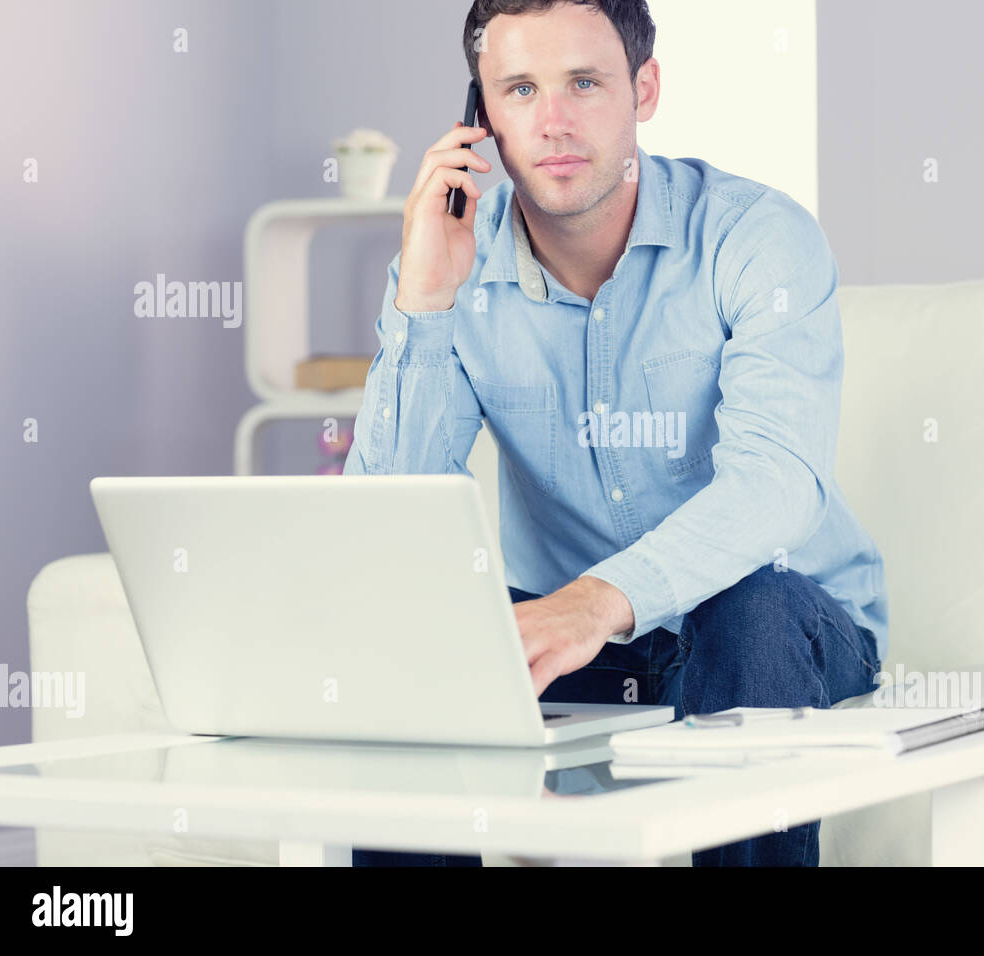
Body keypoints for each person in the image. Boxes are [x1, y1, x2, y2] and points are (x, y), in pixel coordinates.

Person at [347, 0, 887, 867]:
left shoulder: (756, 239)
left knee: (746, 608)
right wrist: (424, 304)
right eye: (519, 89)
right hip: (570, 640)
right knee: (409, 641)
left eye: (584, 84)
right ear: (479, 118)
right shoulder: (448, 259)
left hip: (779, 629)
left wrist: (598, 601)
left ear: (645, 88)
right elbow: (387, 529)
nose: (552, 122)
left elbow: (775, 483)